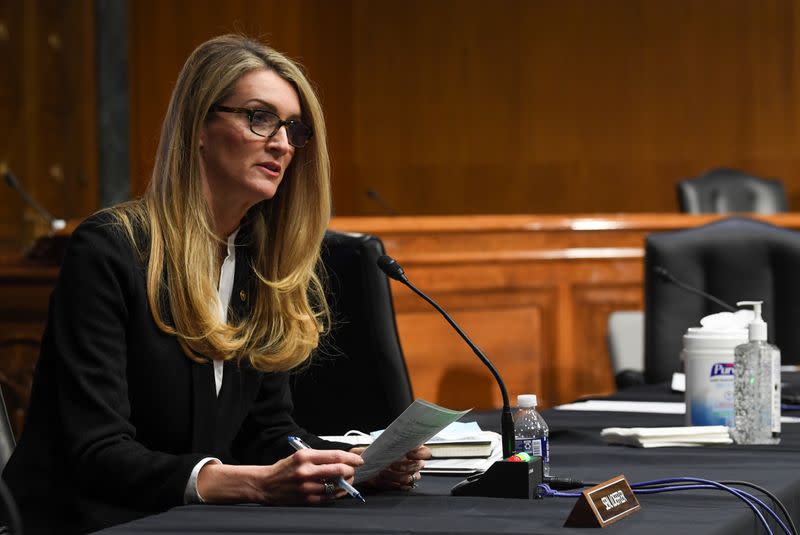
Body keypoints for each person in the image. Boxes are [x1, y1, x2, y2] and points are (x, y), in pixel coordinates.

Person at [2, 34, 429, 535]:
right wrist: (255, 485)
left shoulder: (256, 260)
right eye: (260, 117)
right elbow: (96, 451)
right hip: (88, 521)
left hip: (188, 520)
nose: (283, 144)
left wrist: (345, 466)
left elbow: (266, 432)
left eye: (293, 128)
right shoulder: (111, 250)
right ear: (198, 127)